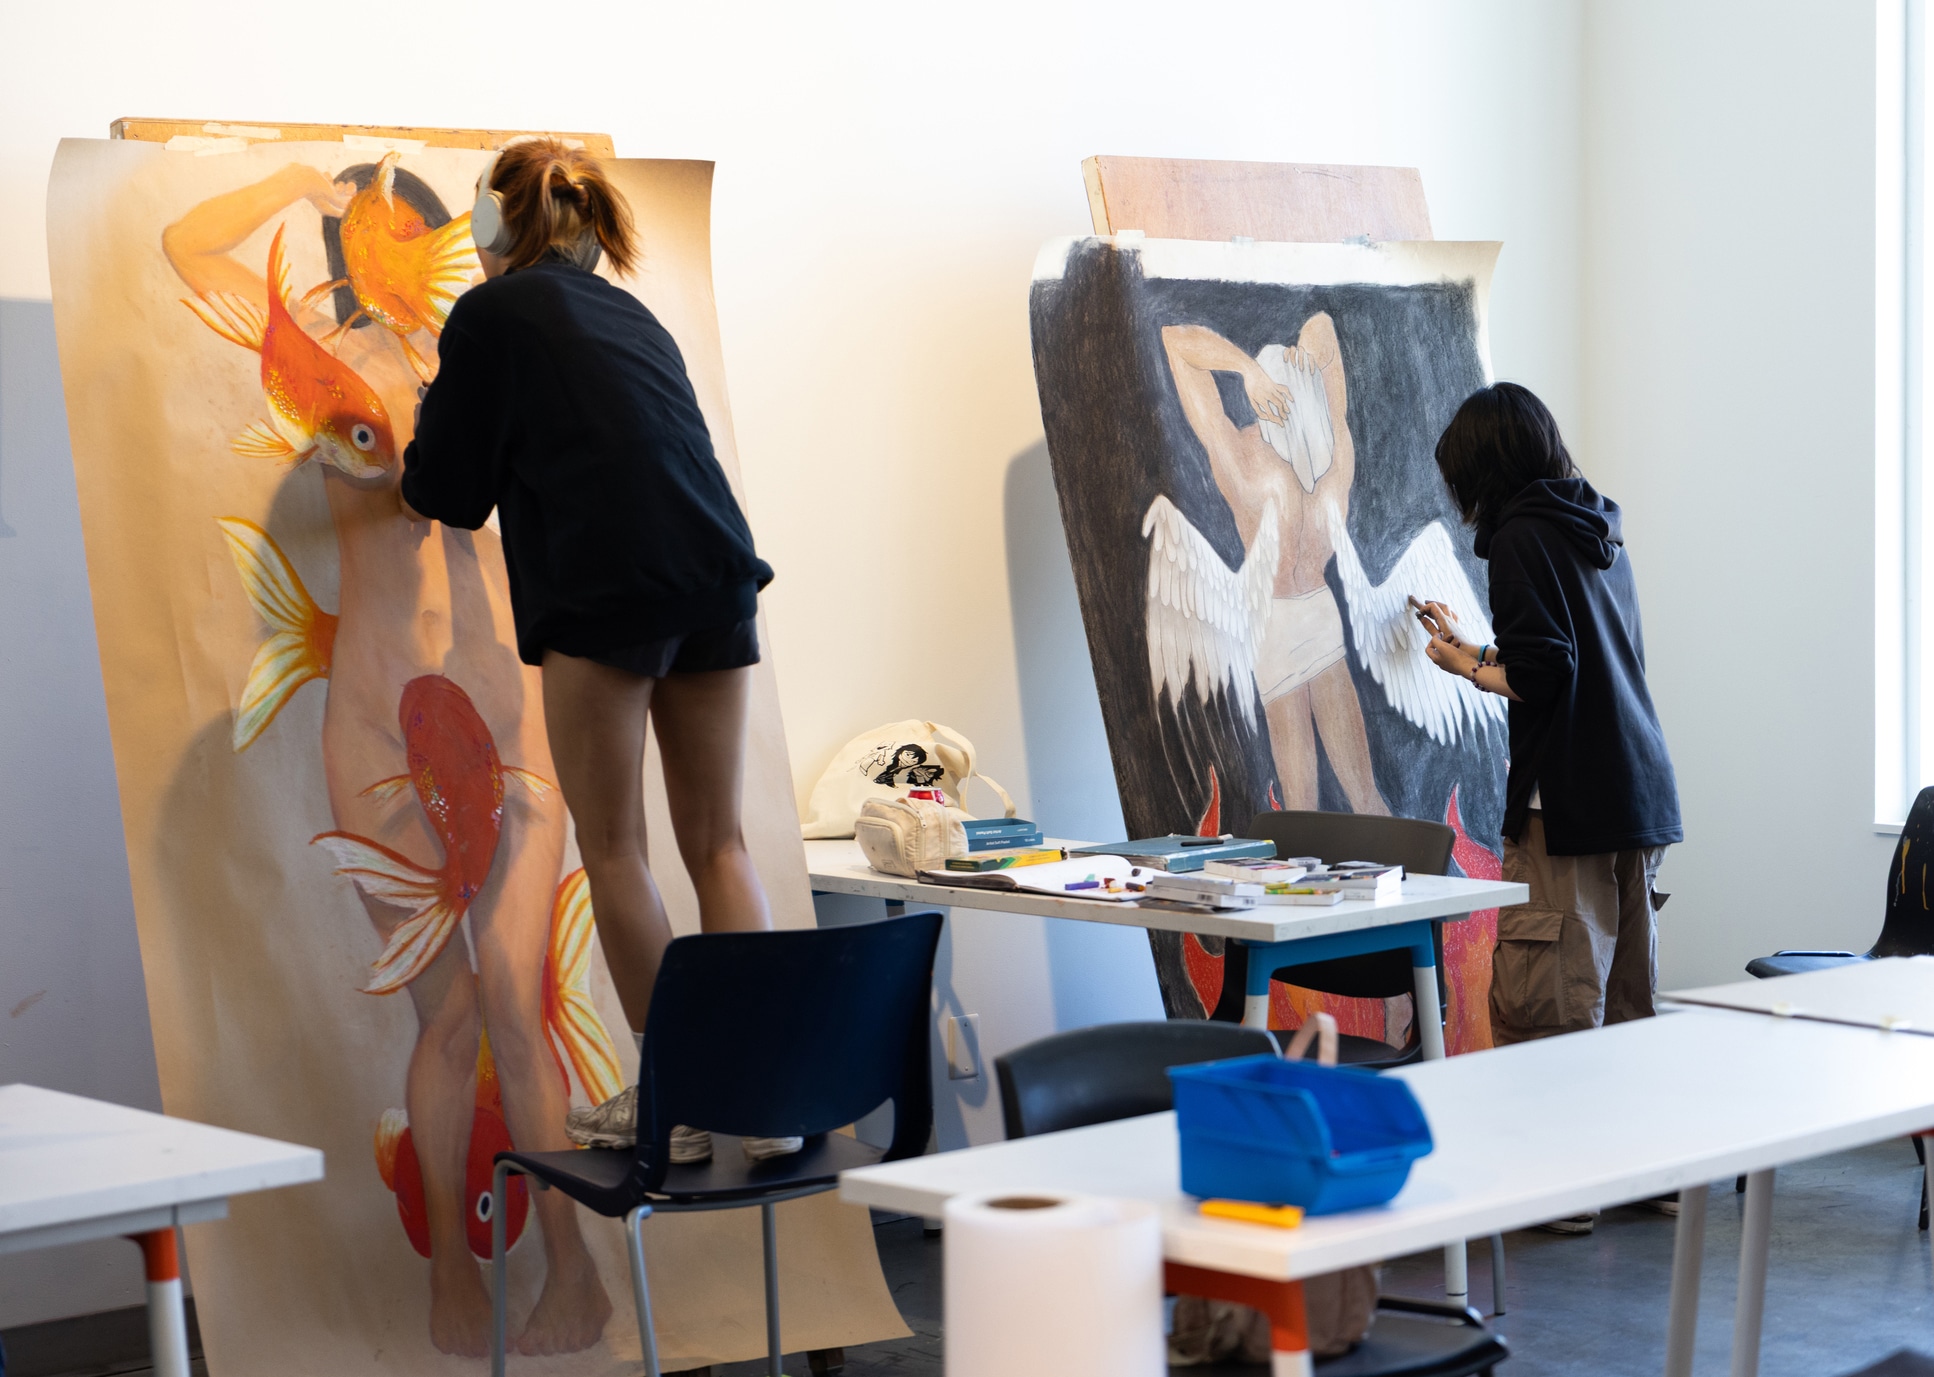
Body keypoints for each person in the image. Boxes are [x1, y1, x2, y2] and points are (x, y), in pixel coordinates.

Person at [164, 163, 610, 1355]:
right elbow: (183, 249)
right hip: (374, 721)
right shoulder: (310, 348)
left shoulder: (488, 341)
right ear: (350, 232)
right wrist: (280, 182)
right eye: (380, 222)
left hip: (502, 710)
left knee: (520, 1004)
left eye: (421, 227)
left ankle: (572, 1267)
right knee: (451, 1011)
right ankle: (453, 1288)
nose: (406, 242)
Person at [395, 140, 793, 1165]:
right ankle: (758, 1096)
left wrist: (422, 423)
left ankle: (679, 1105)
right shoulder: (633, 311)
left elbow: (445, 491)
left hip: (606, 585)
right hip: (714, 570)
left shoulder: (490, 314)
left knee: (615, 849)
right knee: (720, 845)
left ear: (488, 228)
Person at [1414, 382, 1682, 1233]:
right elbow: (1568, 658)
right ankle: (1647, 1172)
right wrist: (1482, 647)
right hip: (1635, 788)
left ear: (1485, 467)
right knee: (1627, 992)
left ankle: (1560, 1189)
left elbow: (1543, 675)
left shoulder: (1520, 537)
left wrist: (1465, 669)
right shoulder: (1597, 530)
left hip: (1561, 801)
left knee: (1552, 994)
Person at [1160, 316, 1390, 814]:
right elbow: (1174, 340)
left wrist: (1270, 361)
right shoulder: (1316, 457)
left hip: (1304, 619)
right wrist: (1267, 362)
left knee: (1351, 797)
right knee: (1311, 803)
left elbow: (1324, 326)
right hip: (1284, 625)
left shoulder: (1298, 455)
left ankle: (1411, 885)